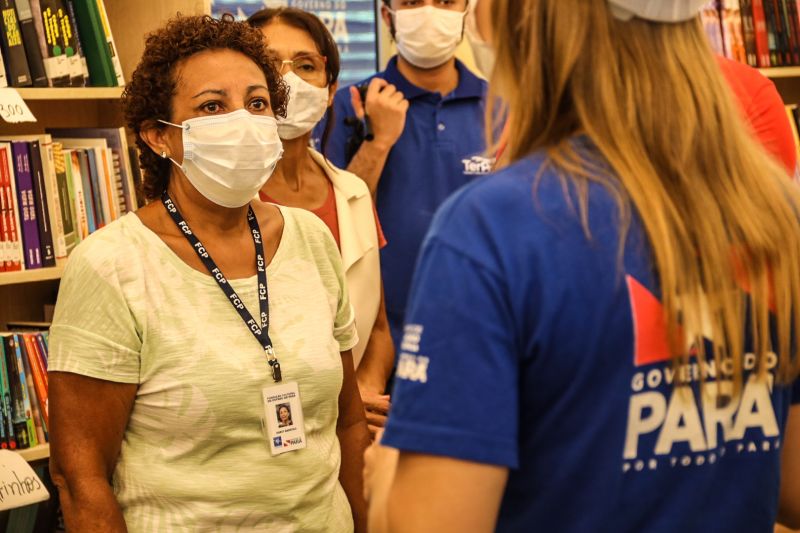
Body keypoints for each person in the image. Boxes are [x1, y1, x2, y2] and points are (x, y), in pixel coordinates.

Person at [364, 1, 800, 532]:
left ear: (531, 24)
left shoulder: (494, 228)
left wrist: (388, 472)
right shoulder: (771, 209)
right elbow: (791, 486)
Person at [47, 15, 368, 532]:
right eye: (213, 107)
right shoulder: (112, 264)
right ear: (159, 136)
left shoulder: (311, 238)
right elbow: (80, 479)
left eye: (257, 103)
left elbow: (348, 422)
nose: (243, 121)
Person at [248, 7, 394, 437]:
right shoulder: (223, 202)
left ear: (330, 91)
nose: (288, 80)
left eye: (306, 66)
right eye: (269, 64)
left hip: (352, 433)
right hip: (263, 431)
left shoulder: (353, 193)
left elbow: (378, 329)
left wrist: (362, 394)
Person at [317, 0, 490, 350]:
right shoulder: (348, 106)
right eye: (412, 1)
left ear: (465, 11)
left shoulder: (502, 107)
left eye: (445, 1)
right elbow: (333, 226)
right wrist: (377, 144)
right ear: (387, 15)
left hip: (482, 329)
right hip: (380, 340)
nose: (429, 12)